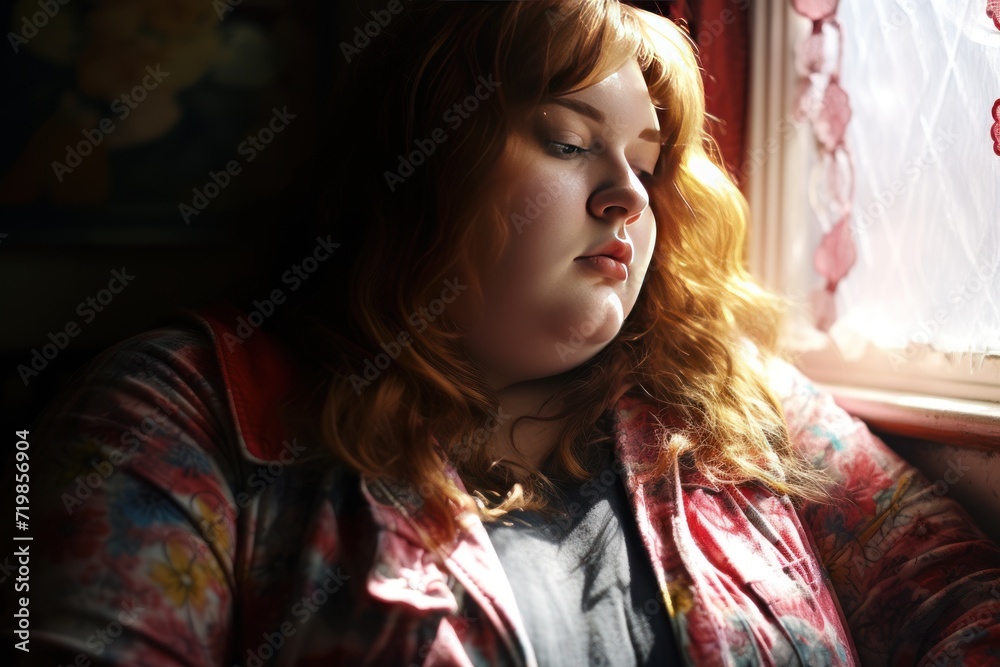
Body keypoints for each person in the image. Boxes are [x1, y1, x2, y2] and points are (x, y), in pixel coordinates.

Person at [15, 1, 1000, 665]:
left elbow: (963, 606)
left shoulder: (736, 399)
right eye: (569, 141)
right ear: (420, 164)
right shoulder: (188, 411)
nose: (627, 196)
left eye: (649, 164)